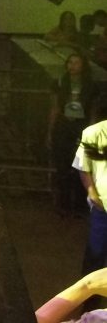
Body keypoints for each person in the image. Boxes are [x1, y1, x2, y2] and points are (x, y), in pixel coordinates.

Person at [51, 53, 101, 216]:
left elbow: (93, 110)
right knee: (63, 165)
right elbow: (55, 106)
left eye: (76, 63)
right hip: (64, 125)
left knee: (82, 165)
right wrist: (51, 128)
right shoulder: (60, 82)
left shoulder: (91, 86)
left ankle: (80, 204)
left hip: (81, 125)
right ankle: (64, 203)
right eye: (70, 62)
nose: (72, 66)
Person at [75, 119, 107, 304]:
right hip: (102, 209)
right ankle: (88, 310)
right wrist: (92, 192)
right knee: (94, 260)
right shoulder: (95, 132)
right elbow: (83, 166)